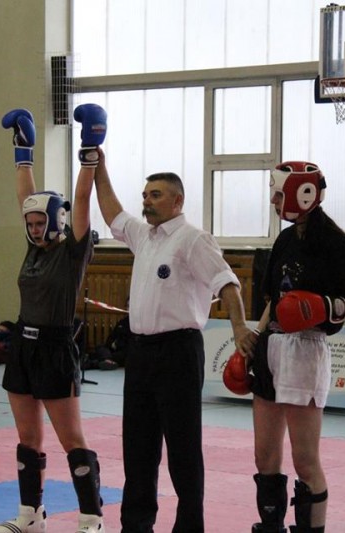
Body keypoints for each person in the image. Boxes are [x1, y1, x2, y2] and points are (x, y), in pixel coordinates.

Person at [93, 150, 254, 532]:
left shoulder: (193, 239)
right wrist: (98, 167)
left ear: (177, 200)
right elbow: (113, 213)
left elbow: (228, 284)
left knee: (182, 449)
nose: (147, 201)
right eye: (145, 195)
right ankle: (136, 525)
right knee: (138, 447)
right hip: (140, 353)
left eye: (156, 195)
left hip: (178, 352)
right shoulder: (143, 236)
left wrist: (239, 329)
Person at [245, 161, 345, 533]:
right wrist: (253, 341)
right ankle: (270, 527)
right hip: (272, 346)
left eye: (278, 194)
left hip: (306, 348)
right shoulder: (284, 240)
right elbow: (274, 299)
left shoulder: (334, 243)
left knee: (305, 460)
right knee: (264, 457)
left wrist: (327, 306)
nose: (273, 201)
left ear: (301, 195)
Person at [0, 104, 106, 533]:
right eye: (31, 222)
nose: (35, 228)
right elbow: (26, 198)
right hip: (23, 347)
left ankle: (91, 516)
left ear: (57, 220)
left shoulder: (73, 252)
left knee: (71, 440)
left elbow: (82, 201)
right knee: (28, 439)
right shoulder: (33, 249)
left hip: (56, 348)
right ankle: (30, 516)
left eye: (42, 222)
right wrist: (23, 152)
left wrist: (89, 151)